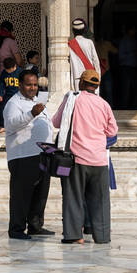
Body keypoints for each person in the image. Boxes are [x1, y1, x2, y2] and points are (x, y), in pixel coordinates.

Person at [52, 68, 118, 244]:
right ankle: (102, 236)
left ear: (81, 83)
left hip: (77, 158)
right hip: (99, 159)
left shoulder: (71, 99)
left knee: (73, 197)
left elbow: (56, 122)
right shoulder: (104, 104)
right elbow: (112, 131)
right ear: (96, 87)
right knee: (101, 201)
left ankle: (74, 236)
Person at [2, 69, 54, 240]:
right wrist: (31, 113)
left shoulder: (38, 101)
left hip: (43, 154)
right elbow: (11, 125)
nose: (32, 88)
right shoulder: (13, 103)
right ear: (20, 85)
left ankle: (35, 226)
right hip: (23, 156)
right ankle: (16, 229)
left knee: (40, 193)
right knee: (21, 195)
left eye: (34, 85)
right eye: (29, 84)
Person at [67, 18, 101, 93]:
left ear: (73, 31)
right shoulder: (89, 42)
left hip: (77, 79)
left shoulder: (69, 44)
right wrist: (98, 77)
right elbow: (96, 62)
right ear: (84, 30)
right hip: (90, 77)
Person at [114, 25, 137, 109]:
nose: (134, 32)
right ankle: (123, 109)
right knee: (125, 90)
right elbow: (120, 56)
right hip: (125, 68)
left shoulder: (133, 40)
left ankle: (135, 108)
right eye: (133, 30)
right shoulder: (124, 41)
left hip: (133, 68)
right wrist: (133, 53)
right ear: (129, 31)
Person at [0, 56, 20, 132]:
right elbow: (2, 85)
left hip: (18, 95)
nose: (8, 71)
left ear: (14, 66)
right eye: (6, 69)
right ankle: (2, 125)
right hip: (8, 95)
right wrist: (0, 95)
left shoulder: (20, 72)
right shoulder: (4, 73)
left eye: (9, 70)